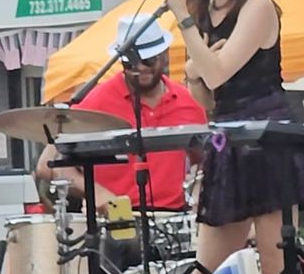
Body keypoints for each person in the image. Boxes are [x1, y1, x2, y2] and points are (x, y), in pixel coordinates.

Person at [160, 0, 304, 274]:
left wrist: (184, 20)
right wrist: (193, 70)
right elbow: (205, 92)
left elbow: (219, 72)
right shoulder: (204, 13)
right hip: (227, 137)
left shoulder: (257, 6)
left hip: (266, 139)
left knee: (275, 272)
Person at [36, 17, 207, 215]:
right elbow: (48, 166)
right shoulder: (96, 101)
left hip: (174, 216)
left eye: (148, 60)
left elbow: (202, 159)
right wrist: (96, 193)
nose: (140, 68)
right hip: (116, 215)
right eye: (130, 63)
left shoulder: (188, 101)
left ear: (164, 55)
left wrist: (199, 187)